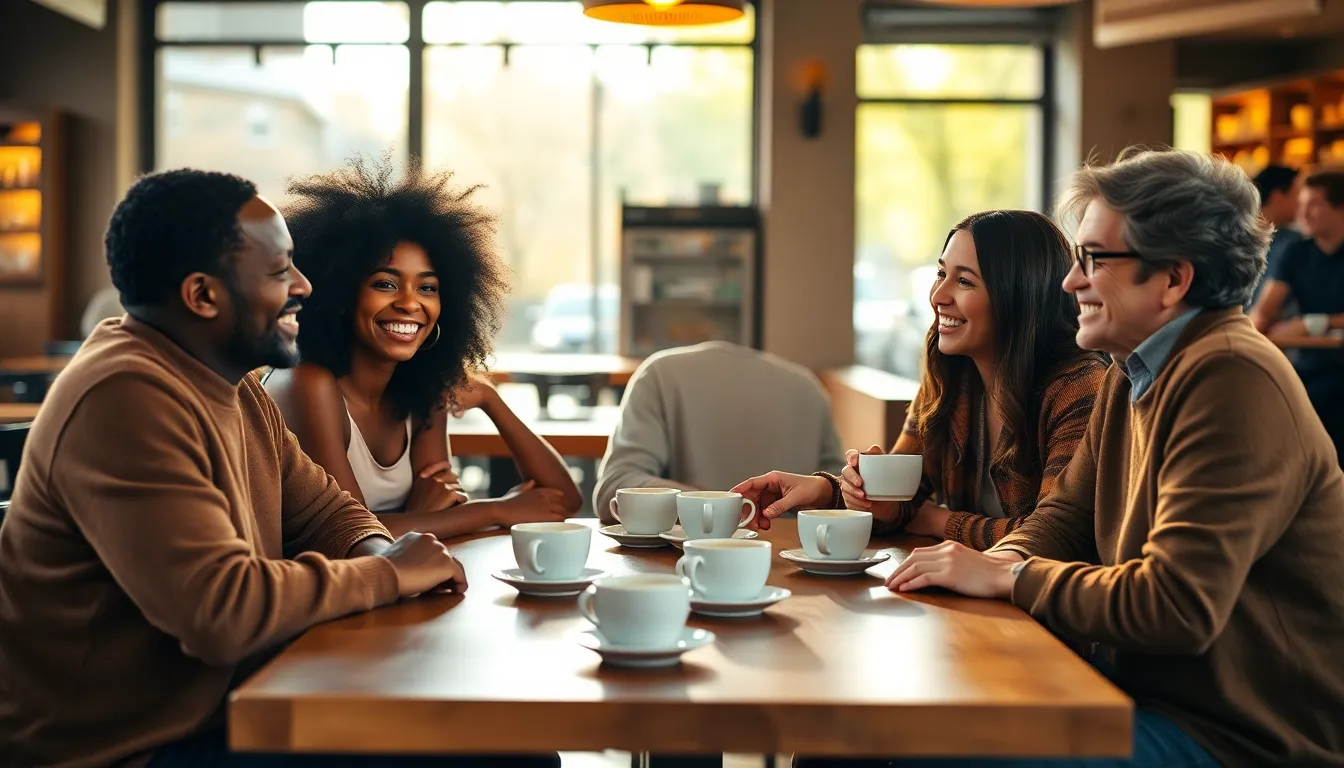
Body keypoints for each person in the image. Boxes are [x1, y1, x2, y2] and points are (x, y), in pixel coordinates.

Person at [0, 169, 552, 768]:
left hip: (232, 699)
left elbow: (326, 512)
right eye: (279, 270)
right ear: (203, 296)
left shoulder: (235, 387)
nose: (306, 286)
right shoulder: (125, 396)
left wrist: (383, 548)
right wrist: (390, 574)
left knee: (510, 745)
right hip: (132, 747)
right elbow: (222, 612)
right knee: (506, 755)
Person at [881, 149, 1344, 767]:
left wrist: (1007, 575)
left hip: (1236, 739)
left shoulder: (1231, 375)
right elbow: (1064, 520)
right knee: (882, 722)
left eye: (1093, 260)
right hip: (1138, 699)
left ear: (1174, 279)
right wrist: (993, 560)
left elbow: (1175, 607)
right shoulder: (1133, 375)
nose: (1071, 281)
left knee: (934, 740)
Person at [733, 211, 1105, 549]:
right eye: (941, 273)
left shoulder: (1079, 387)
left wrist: (936, 520)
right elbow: (899, 503)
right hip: (972, 600)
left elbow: (1053, 538)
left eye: (964, 281)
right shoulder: (951, 376)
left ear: (1018, 295)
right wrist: (828, 490)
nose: (938, 296)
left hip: (1045, 614)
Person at [265, 156, 582, 539]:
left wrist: (488, 398)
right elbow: (347, 531)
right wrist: (498, 509)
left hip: (399, 585)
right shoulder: (307, 383)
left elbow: (563, 499)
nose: (410, 303)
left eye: (427, 287)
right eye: (385, 283)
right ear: (341, 292)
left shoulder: (419, 387)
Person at [593, 340, 845, 526]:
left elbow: (612, 491)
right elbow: (844, 496)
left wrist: (707, 503)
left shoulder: (659, 373)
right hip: (800, 567)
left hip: (686, 566)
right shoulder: (807, 386)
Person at [1250, 169, 1344, 463]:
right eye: (1300, 202)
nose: (1302, 212)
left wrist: (1312, 323)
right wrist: (1250, 335)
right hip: (1309, 365)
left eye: (1314, 204)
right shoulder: (1297, 251)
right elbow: (1265, 310)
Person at [1245, 164, 1302, 307]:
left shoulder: (1294, 238)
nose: (1301, 203)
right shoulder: (1293, 243)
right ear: (1278, 196)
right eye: (1297, 195)